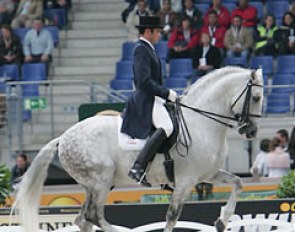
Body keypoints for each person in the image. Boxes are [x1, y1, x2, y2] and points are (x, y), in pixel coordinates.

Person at [121, 16, 178, 187]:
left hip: (154, 98)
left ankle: (161, 174)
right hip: (146, 99)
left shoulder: (149, 48)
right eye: (158, 32)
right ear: (148, 32)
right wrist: (167, 93)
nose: (159, 35)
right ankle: (138, 167)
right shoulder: (141, 49)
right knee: (167, 127)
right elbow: (144, 81)